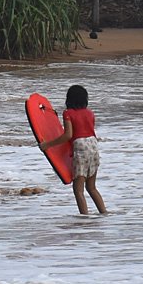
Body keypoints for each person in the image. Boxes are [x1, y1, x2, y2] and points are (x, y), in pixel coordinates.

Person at [39, 85, 108, 215]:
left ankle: (84, 218)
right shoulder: (90, 112)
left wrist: (47, 145)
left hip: (80, 146)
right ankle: (104, 213)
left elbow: (68, 135)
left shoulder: (68, 113)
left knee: (78, 190)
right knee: (92, 187)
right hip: (93, 144)